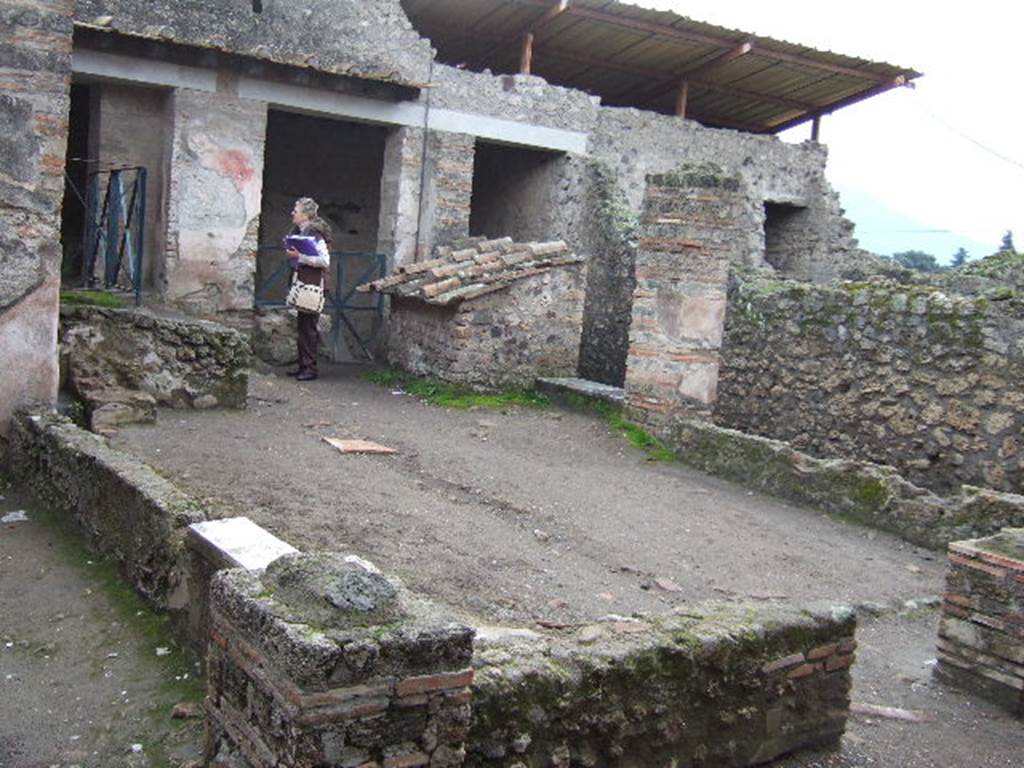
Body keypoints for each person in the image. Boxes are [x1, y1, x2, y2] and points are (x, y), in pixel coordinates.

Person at [285, 197, 332, 381]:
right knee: (303, 326)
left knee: (309, 327)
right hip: (306, 282)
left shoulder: (316, 234)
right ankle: (303, 365)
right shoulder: (302, 231)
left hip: (315, 284)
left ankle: (310, 368)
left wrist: (300, 256)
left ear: (305, 215)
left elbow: (324, 261)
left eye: (295, 211)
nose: (292, 213)